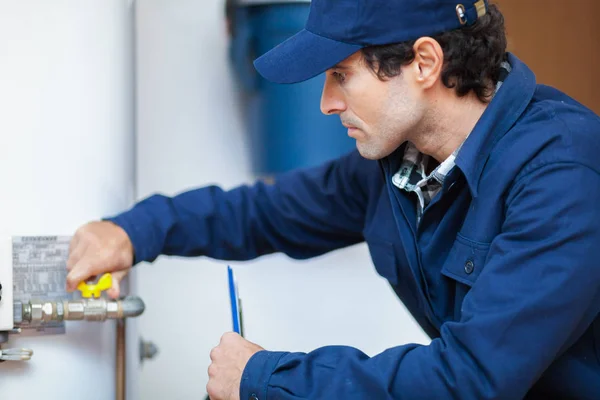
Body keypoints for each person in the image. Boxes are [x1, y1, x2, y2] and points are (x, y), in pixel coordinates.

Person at [65, 0, 600, 398]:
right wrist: (134, 230)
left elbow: (471, 379)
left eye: (342, 75)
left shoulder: (563, 174)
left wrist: (263, 378)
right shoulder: (400, 163)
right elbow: (266, 215)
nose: (326, 103)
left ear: (424, 63)